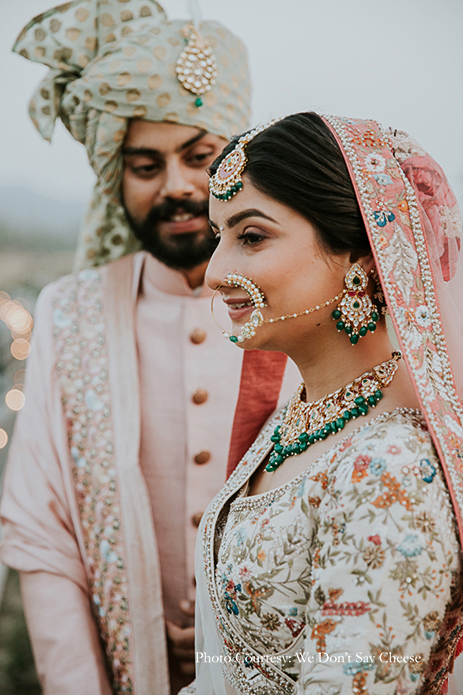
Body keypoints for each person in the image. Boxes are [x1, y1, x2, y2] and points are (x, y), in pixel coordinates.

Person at [0, 3, 299, 694]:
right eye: (144, 164)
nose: (176, 186)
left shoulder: (302, 305)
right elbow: (42, 535)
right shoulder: (68, 312)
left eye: (200, 155)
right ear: (115, 179)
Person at [181, 112, 463, 694]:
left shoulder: (389, 468)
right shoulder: (303, 414)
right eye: (218, 237)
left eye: (251, 236)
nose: (213, 274)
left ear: (362, 254)